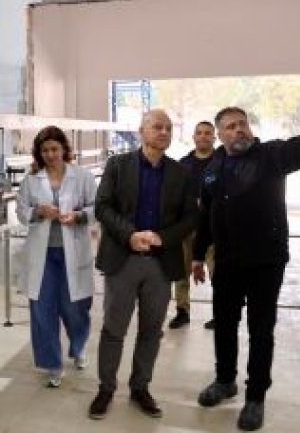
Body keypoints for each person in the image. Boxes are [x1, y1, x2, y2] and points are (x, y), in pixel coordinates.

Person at [192, 106, 300, 431]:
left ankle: (255, 397)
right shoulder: (213, 167)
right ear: (220, 134)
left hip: (265, 263)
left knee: (261, 330)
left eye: (242, 124)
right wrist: (198, 256)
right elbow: (206, 216)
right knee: (224, 325)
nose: (239, 129)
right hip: (226, 262)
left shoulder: (270, 156)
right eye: (231, 126)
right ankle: (225, 380)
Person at [87, 109, 197, 420]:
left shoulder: (181, 173)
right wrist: (130, 235)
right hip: (123, 259)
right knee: (114, 329)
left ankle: (140, 387)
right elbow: (102, 206)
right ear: (142, 131)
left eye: (168, 128)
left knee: (151, 331)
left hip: (160, 264)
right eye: (157, 127)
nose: (164, 132)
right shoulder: (118, 165)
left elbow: (191, 217)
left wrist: (162, 238)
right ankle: (106, 388)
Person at [16, 125, 98, 388]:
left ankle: (78, 346)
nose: (50, 154)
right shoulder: (32, 180)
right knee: (42, 310)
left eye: (54, 149)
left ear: (64, 149)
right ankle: (52, 363)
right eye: (45, 150)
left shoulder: (82, 176)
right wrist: (38, 212)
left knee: (75, 308)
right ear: (39, 153)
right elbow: (21, 212)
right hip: (42, 256)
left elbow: (97, 207)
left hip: (73, 252)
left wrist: (78, 216)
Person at [170, 120, 217, 330]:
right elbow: (175, 196)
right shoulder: (183, 165)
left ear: (214, 137)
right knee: (181, 272)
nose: (203, 136)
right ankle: (182, 311)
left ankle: (220, 313)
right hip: (187, 228)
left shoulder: (222, 162)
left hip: (214, 229)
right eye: (199, 133)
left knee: (218, 273)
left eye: (208, 133)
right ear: (194, 137)